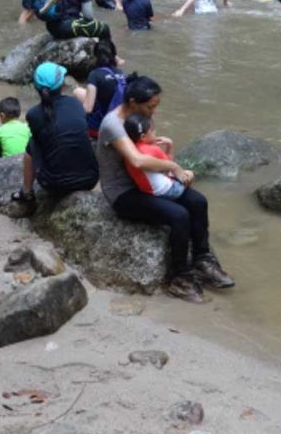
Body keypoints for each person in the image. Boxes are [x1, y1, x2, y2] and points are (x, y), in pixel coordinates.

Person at [96, 75, 234, 303]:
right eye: (150, 107)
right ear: (132, 102)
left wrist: (168, 162)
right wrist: (174, 167)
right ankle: (180, 278)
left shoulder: (138, 123)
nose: (153, 112)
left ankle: (202, 260)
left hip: (147, 184)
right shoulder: (113, 124)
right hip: (123, 192)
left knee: (198, 202)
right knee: (179, 215)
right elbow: (137, 161)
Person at [11, 62, 99, 201]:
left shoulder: (34, 114)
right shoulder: (75, 104)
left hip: (55, 185)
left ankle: (26, 192)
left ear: (36, 88)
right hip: (90, 179)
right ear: (62, 85)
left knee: (33, 142)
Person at [122, 113, 185, 200]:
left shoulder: (130, 151)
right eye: (153, 130)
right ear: (143, 137)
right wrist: (169, 145)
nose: (155, 132)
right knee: (189, 174)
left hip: (146, 190)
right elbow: (168, 167)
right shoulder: (153, 149)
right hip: (168, 191)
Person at [74, 39, 126, 139]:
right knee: (80, 92)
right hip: (120, 126)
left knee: (77, 92)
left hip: (98, 129)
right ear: (114, 55)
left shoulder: (95, 75)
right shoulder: (122, 74)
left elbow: (88, 108)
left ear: (95, 56)